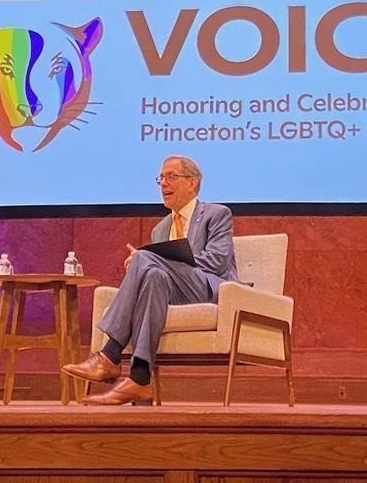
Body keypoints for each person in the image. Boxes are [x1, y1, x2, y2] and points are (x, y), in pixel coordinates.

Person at [61, 155, 237, 405]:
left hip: (209, 287)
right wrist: (152, 262)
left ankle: (110, 354)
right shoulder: (160, 228)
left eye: (171, 177)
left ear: (192, 182)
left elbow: (217, 261)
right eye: (161, 178)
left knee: (145, 259)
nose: (164, 183)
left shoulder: (216, 214)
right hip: (173, 292)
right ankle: (140, 379)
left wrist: (158, 258)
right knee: (152, 275)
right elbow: (161, 275)